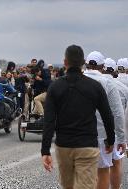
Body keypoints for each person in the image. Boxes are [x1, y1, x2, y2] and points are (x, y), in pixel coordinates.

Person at [41, 45, 115, 189]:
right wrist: (110, 140)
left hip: (64, 145)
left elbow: (49, 121)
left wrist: (45, 151)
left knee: (67, 186)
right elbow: (107, 115)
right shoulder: (94, 86)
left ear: (65, 62)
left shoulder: (55, 87)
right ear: (83, 62)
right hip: (87, 144)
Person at [84, 52, 126, 189]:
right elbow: (118, 113)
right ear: (102, 67)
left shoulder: (72, 80)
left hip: (75, 134)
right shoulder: (108, 83)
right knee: (103, 172)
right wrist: (121, 138)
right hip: (102, 134)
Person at [102, 58, 128, 189]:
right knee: (116, 163)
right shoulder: (122, 87)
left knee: (101, 167)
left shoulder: (96, 83)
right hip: (117, 129)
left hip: (99, 130)